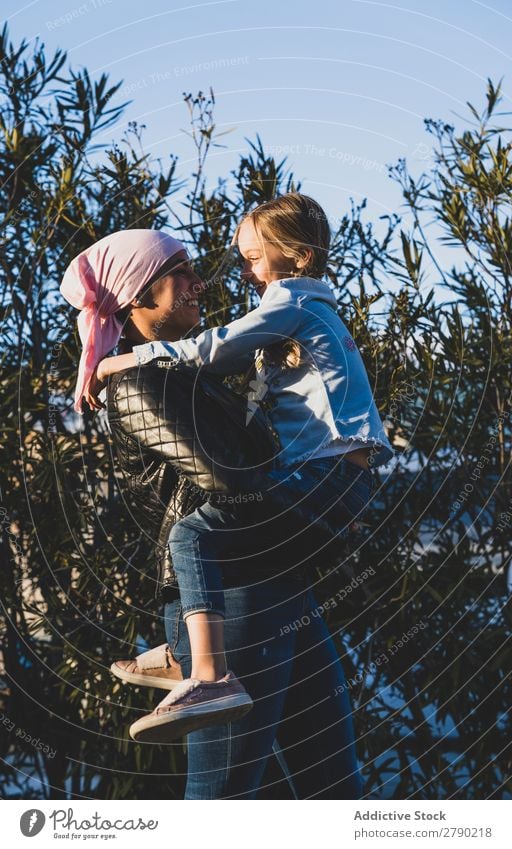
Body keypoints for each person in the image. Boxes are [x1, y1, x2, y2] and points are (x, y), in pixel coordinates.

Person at [91, 194, 394, 744]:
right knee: (305, 776)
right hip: (255, 571)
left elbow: (217, 349)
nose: (225, 276)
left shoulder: (289, 310)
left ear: (297, 257)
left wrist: (128, 354)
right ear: (135, 296)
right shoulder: (150, 382)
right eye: (178, 274)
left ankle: (206, 671)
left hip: (294, 526)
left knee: (192, 535)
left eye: (252, 258)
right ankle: (191, 651)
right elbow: (230, 463)